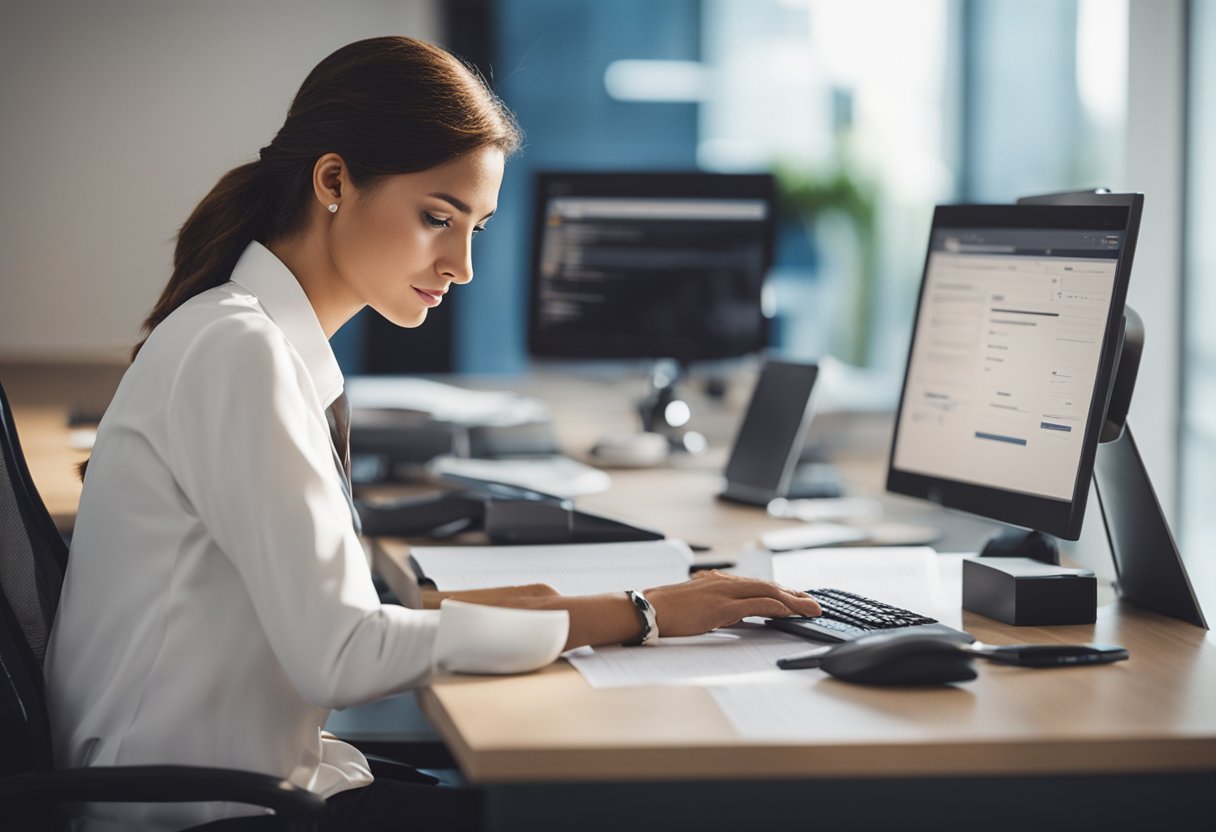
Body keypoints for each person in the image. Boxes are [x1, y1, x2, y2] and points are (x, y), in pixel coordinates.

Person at [44, 36, 821, 832]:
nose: (462, 264)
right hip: (189, 811)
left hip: (235, 781)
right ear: (334, 181)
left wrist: (595, 605)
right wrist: (642, 614)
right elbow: (340, 653)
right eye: (436, 218)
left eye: (476, 227)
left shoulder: (253, 341)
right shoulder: (238, 351)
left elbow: (326, 616)